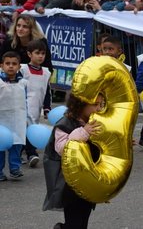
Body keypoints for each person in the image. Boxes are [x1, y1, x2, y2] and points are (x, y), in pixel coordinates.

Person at [42, 93, 104, 229]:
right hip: (70, 185)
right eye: (95, 104)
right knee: (74, 222)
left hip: (88, 181)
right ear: (81, 104)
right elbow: (61, 148)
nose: (99, 108)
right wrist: (83, 132)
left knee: (83, 220)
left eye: (101, 104)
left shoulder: (94, 122)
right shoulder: (64, 123)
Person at [0, 14, 53, 164]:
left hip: (34, 87)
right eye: (18, 25)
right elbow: (2, 63)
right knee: (19, 121)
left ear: (31, 29)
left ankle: (25, 151)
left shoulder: (40, 44)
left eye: (25, 26)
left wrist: (46, 103)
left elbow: (48, 68)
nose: (20, 29)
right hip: (13, 86)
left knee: (30, 121)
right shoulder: (9, 42)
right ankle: (28, 152)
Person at [20, 39, 51, 168]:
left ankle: (20, 152)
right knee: (27, 129)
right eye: (37, 53)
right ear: (29, 54)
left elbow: (47, 91)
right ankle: (31, 154)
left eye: (43, 53)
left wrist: (47, 108)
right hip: (23, 106)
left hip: (36, 107)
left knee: (28, 131)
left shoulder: (46, 72)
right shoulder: (23, 69)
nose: (40, 56)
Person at [0, 51, 27, 181]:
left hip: (18, 119)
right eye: (7, 63)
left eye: (14, 64)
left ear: (19, 67)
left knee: (16, 144)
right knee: (0, 146)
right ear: (1, 66)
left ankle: (15, 168)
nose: (11, 66)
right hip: (2, 119)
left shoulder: (23, 83)